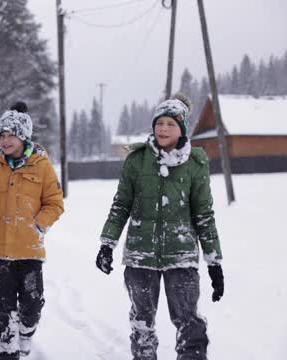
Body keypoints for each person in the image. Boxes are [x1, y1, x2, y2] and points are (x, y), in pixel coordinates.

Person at [95, 93, 225, 360]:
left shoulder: (195, 163)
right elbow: (121, 205)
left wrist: (214, 262)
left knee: (189, 321)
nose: (163, 129)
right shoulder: (137, 160)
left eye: (171, 124)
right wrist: (107, 244)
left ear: (182, 129)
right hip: (140, 255)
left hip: (181, 255)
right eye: (159, 123)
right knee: (142, 322)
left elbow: (204, 214)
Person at [0, 102, 64, 359]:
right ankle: (6, 353)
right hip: (0, 253)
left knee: (32, 305)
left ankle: (25, 332)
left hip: (29, 252)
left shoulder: (42, 166)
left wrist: (37, 225)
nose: (5, 140)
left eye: (11, 134)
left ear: (23, 136)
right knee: (2, 310)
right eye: (1, 136)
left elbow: (55, 203)